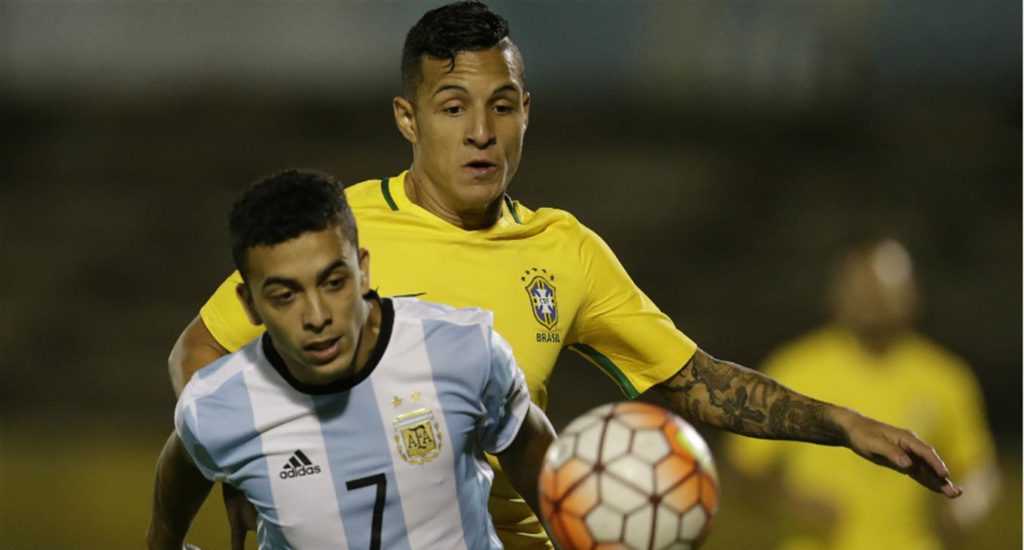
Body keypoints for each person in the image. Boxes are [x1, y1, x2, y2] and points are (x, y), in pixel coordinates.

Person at [167, 3, 963, 548]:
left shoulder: (564, 251)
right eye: (453, 107)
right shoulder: (339, 234)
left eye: (502, 105)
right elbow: (199, 353)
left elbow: (696, 382)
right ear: (408, 118)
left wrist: (843, 424)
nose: (482, 133)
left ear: (526, 111)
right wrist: (248, 470)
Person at [148, 169, 557, 549]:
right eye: (285, 296)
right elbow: (178, 474)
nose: (317, 316)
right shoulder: (220, 407)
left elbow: (537, 458)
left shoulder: (462, 350)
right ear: (250, 304)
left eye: (333, 282)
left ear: (362, 271)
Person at [726, 237, 998, 550]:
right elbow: (742, 473)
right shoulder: (794, 371)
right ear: (835, 294)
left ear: (912, 295)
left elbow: (979, 470)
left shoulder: (944, 378)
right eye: (859, 285)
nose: (871, 296)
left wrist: (968, 506)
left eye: (882, 286)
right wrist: (789, 501)